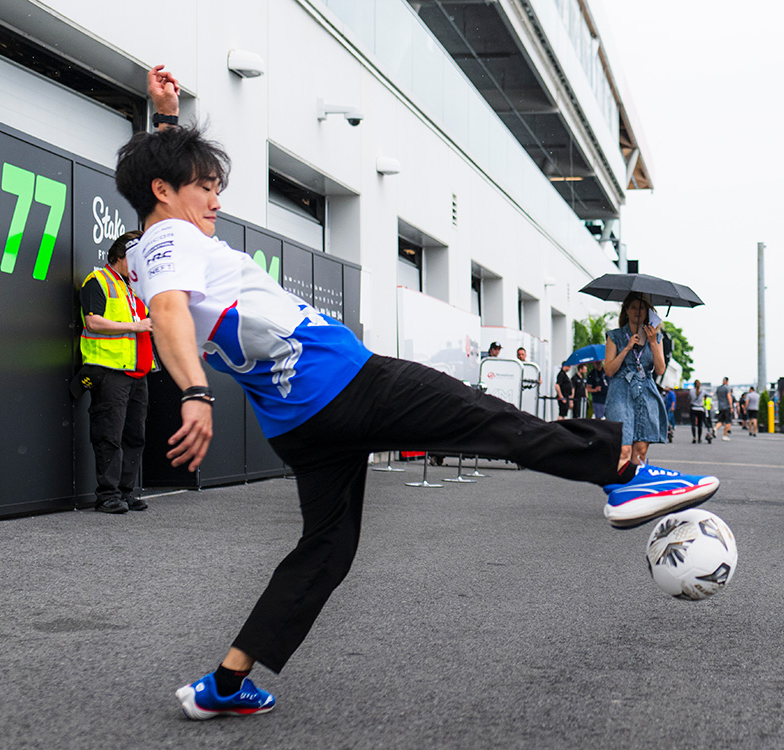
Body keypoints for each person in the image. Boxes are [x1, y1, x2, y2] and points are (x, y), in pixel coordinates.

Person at [115, 67, 720, 720]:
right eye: (204, 188)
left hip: (300, 423)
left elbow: (168, 242)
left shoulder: (157, 241)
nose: (215, 201)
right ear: (163, 192)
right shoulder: (170, 241)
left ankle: (225, 685)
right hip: (344, 384)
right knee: (485, 417)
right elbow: (172, 313)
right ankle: (620, 473)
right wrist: (196, 395)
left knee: (325, 551)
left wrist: (167, 118)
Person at [78, 229, 156, 514]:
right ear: (122, 257)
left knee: (135, 435)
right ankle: (107, 494)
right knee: (109, 434)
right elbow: (93, 322)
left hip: (137, 372)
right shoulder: (98, 280)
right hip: (110, 371)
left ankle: (125, 491)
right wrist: (136, 326)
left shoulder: (131, 287)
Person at [603, 292, 668, 465]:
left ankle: (637, 490)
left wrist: (653, 343)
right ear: (626, 311)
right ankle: (622, 488)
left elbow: (660, 370)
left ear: (648, 312)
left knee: (640, 451)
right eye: (633, 307)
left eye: (641, 308)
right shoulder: (614, 336)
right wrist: (627, 348)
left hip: (646, 392)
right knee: (624, 449)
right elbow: (609, 370)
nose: (637, 311)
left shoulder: (656, 337)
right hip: (620, 392)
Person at [689, 379, 709, 444]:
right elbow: (709, 395)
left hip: (693, 408)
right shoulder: (703, 391)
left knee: (693, 424)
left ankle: (694, 437)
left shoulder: (691, 391)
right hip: (700, 409)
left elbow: (689, 398)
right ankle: (699, 438)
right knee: (700, 424)